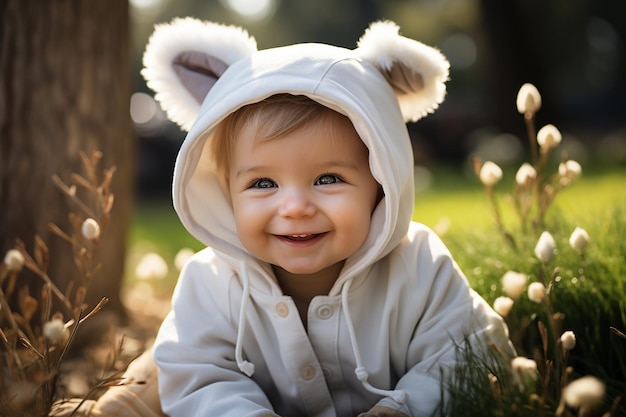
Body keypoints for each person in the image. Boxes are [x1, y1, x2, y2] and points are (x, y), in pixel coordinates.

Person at [79, 17, 514, 417]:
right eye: (263, 184)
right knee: (166, 361)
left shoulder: (419, 268)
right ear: (226, 193)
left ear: (381, 183)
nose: (295, 207)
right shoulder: (212, 282)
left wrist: (405, 409)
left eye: (328, 178)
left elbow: (471, 352)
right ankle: (122, 403)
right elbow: (200, 376)